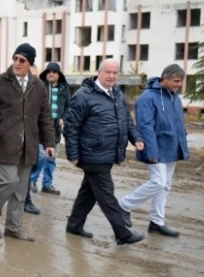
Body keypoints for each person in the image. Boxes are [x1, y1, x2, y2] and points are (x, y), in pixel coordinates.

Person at [0, 43, 55, 241]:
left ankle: (13, 227)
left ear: (30, 64)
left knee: (20, 190)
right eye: (15, 58)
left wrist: (49, 143)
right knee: (8, 181)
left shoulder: (38, 87)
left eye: (23, 60)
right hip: (4, 144)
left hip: (28, 147)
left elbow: (45, 117)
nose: (17, 63)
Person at [63, 59, 146, 245]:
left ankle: (74, 225)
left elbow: (126, 120)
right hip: (91, 153)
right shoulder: (84, 95)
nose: (111, 76)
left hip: (108, 153)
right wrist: (73, 154)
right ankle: (123, 234)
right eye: (107, 72)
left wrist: (137, 139)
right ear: (99, 73)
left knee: (89, 192)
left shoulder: (117, 94)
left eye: (115, 73)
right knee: (106, 194)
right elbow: (71, 126)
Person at [118, 64, 189, 237]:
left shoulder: (175, 98)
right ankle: (124, 205)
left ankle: (157, 222)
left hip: (172, 148)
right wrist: (151, 151)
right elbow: (145, 126)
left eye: (181, 81)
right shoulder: (147, 98)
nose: (179, 85)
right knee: (158, 182)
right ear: (165, 78)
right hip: (155, 148)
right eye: (176, 81)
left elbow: (179, 124)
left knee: (165, 186)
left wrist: (182, 145)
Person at [29, 62, 70, 196]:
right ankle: (32, 180)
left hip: (56, 129)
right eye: (49, 71)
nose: (51, 74)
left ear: (59, 75)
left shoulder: (64, 88)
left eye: (54, 72)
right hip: (41, 127)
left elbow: (69, 107)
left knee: (51, 158)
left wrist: (64, 118)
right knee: (40, 155)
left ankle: (47, 184)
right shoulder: (39, 86)